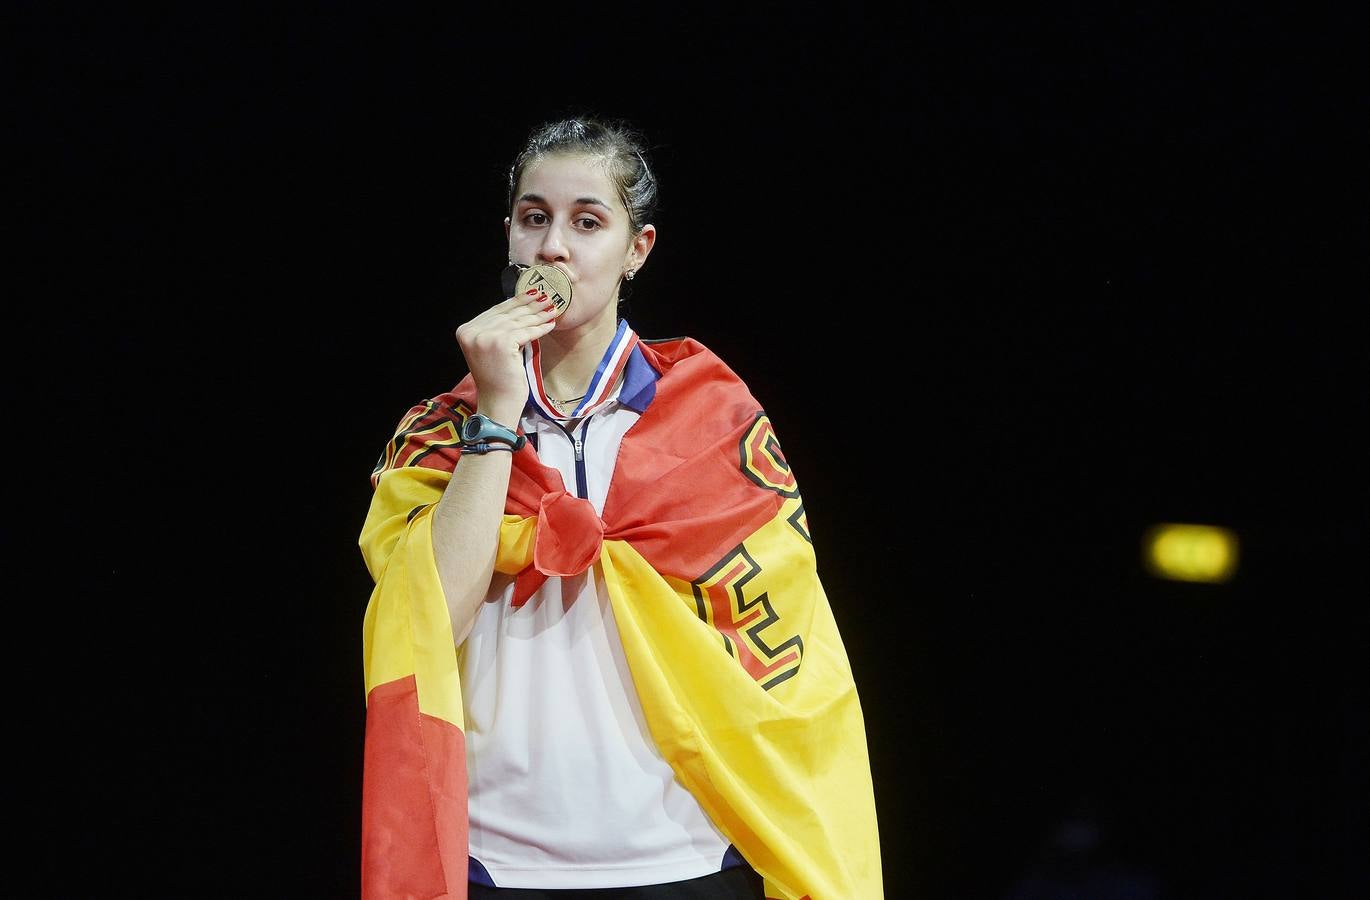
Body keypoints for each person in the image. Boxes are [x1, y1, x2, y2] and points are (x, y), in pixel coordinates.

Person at [359, 116, 882, 900]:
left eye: (588, 221)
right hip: (500, 863)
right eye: (534, 218)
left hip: (690, 857)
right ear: (508, 237)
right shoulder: (442, 431)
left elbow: (789, 645)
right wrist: (496, 416)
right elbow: (426, 616)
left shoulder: (711, 418)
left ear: (637, 251)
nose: (554, 248)